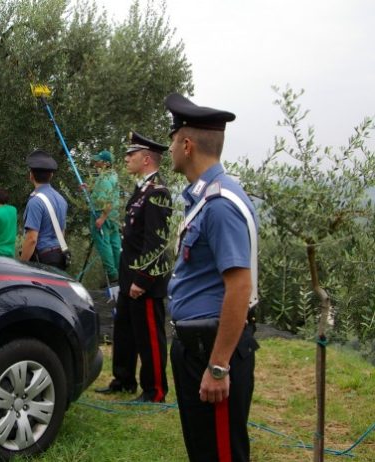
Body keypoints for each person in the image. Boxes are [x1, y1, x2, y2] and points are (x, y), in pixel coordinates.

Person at [165, 93, 260, 462]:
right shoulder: (204, 199)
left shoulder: (220, 204)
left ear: (187, 145)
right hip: (197, 346)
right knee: (204, 448)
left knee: (220, 453)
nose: (170, 147)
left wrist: (219, 367)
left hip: (212, 349)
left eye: (173, 140)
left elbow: (239, 286)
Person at [95, 131, 171, 402]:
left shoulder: (158, 192)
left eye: (132, 154)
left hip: (144, 281)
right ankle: (123, 380)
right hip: (129, 275)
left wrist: (142, 280)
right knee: (124, 330)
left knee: (149, 336)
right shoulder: (142, 189)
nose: (126, 158)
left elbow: (156, 243)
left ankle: (155, 390)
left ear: (147, 158)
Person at [19, 149, 69, 270]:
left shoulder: (35, 202)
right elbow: (61, 232)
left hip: (43, 259)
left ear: (31, 175)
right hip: (60, 256)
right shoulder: (61, 199)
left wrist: (21, 266)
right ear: (51, 175)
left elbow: (31, 239)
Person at [89, 150, 121, 284]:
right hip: (114, 216)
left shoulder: (104, 178)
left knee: (104, 244)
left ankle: (112, 275)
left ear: (106, 163)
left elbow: (107, 200)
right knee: (115, 243)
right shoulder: (113, 175)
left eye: (99, 161)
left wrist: (102, 218)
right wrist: (89, 188)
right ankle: (120, 272)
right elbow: (104, 191)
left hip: (102, 214)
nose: (96, 162)